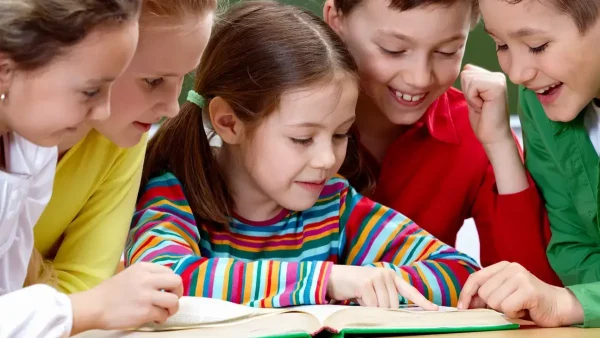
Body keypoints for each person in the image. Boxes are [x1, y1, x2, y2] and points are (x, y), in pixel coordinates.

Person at [126, 0, 480, 310]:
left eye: (341, 134)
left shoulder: (334, 205)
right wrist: (328, 281)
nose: (327, 159)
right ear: (229, 123)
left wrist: (367, 281)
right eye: (302, 138)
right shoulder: (175, 195)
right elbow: (163, 278)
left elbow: (458, 272)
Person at [323, 0, 561, 285]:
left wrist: (499, 145)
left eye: (447, 51)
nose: (420, 78)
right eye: (393, 49)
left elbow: (534, 290)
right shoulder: (281, 119)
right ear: (335, 21)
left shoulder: (475, 129)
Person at [0, 0, 183, 336]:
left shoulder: (30, 150)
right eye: (90, 91)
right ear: (4, 71)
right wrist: (85, 309)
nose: (102, 112)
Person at [32, 0, 216, 294]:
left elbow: (84, 290)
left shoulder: (124, 139)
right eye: (153, 81)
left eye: (184, 78)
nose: (172, 108)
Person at [457, 0, 600, 328]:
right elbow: (570, 247)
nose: (517, 73)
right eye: (501, 45)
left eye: (538, 46)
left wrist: (577, 302)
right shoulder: (539, 104)